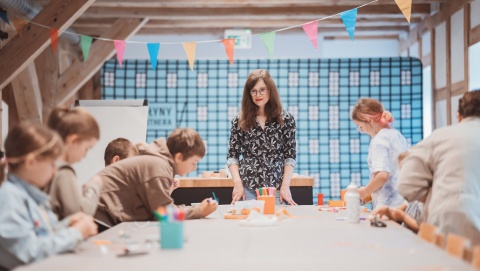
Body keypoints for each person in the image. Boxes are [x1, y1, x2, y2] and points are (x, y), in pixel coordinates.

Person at [0, 123, 97, 270]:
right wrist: (75, 232)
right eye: (51, 164)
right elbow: (30, 253)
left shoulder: (30, 197)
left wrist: (67, 224)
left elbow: (41, 236)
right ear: (31, 162)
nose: (55, 171)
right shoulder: (9, 198)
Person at [87, 128, 217, 227]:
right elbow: (163, 214)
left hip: (98, 211)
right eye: (193, 163)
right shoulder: (159, 167)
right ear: (178, 157)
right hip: (97, 215)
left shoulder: (158, 163)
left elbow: (159, 209)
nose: (194, 168)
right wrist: (199, 211)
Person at [397, 90, 480, 244]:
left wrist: (435, 195)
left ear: (459, 116)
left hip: (450, 224)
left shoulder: (441, 136)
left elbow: (405, 184)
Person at [227, 69, 297, 205]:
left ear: (270, 90)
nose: (258, 94)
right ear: (249, 94)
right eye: (253, 91)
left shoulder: (286, 119)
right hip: (247, 188)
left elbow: (290, 155)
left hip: (276, 189)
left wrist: (285, 186)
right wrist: (237, 183)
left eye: (262, 90)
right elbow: (232, 156)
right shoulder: (239, 120)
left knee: (277, 223)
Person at [44, 106, 101, 220]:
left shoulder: (47, 166)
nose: (86, 154)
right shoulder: (64, 172)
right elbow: (80, 213)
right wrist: (94, 186)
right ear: (73, 141)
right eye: (87, 148)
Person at [351, 98, 409, 209]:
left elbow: (382, 176)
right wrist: (369, 194)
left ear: (369, 120)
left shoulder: (379, 140)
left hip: (388, 207)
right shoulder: (397, 135)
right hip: (404, 204)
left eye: (361, 127)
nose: (362, 131)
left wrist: (364, 191)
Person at [371, 151, 423, 233]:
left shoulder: (425, 198)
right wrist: (387, 211)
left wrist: (403, 217)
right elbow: (398, 212)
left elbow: (423, 229)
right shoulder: (412, 196)